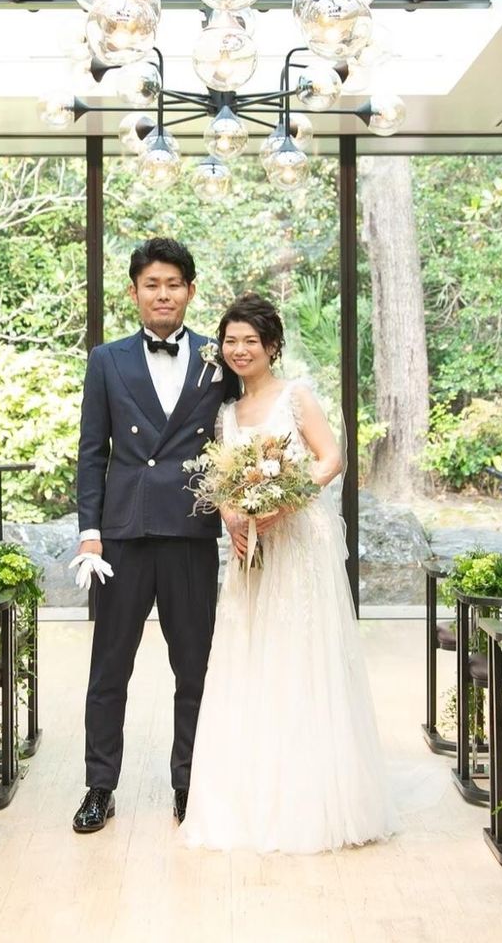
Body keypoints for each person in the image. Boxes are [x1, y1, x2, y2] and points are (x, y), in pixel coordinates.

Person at [180, 293, 393, 853]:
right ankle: (249, 799)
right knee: (251, 657)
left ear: (272, 346)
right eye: (230, 341)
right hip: (251, 549)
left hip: (298, 544)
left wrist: (285, 500)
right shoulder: (226, 414)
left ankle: (309, 801)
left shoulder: (296, 396)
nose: (239, 349)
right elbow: (223, 480)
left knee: (298, 658)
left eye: (250, 340)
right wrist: (233, 514)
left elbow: (331, 459)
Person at [70, 237, 239, 834]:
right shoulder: (107, 359)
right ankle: (99, 786)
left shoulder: (219, 359)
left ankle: (188, 783)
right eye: (152, 285)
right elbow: (92, 453)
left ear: (190, 291)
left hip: (191, 530)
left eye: (173, 285)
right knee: (109, 666)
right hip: (123, 533)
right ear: (134, 292)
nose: (162, 294)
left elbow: (238, 439)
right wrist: (89, 533)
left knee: (193, 666)